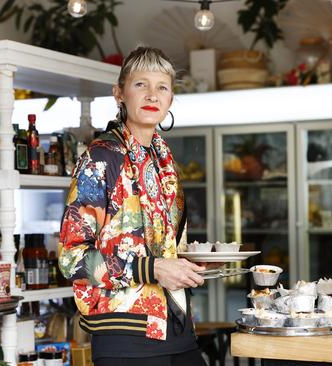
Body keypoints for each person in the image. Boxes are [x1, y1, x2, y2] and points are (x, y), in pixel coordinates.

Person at [59, 46, 209, 366]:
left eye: (162, 87)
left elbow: (169, 250)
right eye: (141, 84)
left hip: (177, 326)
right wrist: (153, 268)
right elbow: (72, 260)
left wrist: (189, 267)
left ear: (170, 99)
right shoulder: (100, 159)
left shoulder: (164, 162)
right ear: (120, 94)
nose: (152, 95)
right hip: (124, 337)